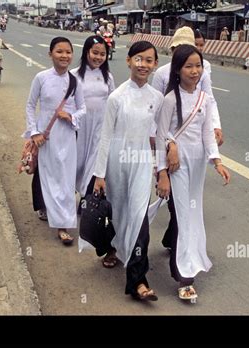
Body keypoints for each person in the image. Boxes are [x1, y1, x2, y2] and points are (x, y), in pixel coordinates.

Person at [156, 44, 230, 301]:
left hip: (198, 167)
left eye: (198, 65)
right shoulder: (169, 99)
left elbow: (207, 133)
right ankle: (184, 277)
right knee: (184, 218)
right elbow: (161, 133)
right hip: (177, 168)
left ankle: (191, 260)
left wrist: (217, 162)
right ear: (177, 69)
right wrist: (162, 171)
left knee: (193, 216)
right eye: (189, 66)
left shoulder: (205, 99)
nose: (195, 71)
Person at [93, 41, 163, 301]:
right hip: (116, 164)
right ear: (129, 61)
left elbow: (159, 136)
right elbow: (105, 137)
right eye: (138, 59)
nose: (143, 65)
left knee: (139, 218)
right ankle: (113, 248)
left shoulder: (157, 98)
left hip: (142, 164)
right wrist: (100, 175)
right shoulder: (117, 97)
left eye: (149, 60)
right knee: (119, 214)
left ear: (155, 64)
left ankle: (138, 280)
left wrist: (161, 169)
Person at [24, 37, 86, 245]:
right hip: (46, 138)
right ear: (50, 54)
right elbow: (31, 106)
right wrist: (34, 133)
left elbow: (82, 108)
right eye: (59, 51)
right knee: (50, 178)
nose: (64, 56)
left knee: (66, 179)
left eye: (68, 52)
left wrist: (71, 117)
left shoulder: (75, 81)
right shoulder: (41, 78)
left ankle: (64, 224)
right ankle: (58, 221)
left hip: (67, 137)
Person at [71, 36, 116, 264]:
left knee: (94, 171)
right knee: (78, 169)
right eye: (94, 52)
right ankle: (80, 201)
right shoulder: (75, 75)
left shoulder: (108, 77)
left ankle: (89, 208)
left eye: (102, 53)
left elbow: (114, 103)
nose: (98, 57)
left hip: (101, 131)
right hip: (80, 131)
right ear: (86, 52)